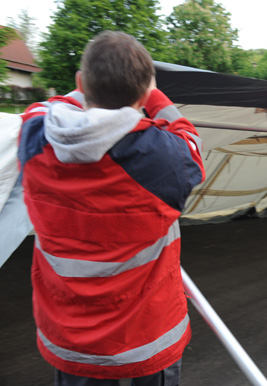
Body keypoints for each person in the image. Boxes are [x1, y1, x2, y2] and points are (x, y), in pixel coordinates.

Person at [17, 31, 205, 385]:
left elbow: (47, 106)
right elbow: (190, 141)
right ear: (144, 95)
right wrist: (152, 93)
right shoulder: (162, 158)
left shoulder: (35, 138)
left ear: (80, 82)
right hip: (147, 341)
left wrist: (90, 87)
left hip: (72, 344)